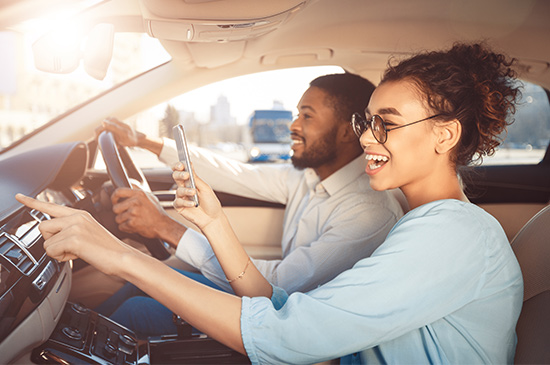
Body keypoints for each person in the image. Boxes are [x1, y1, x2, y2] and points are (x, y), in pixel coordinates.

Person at [17, 42, 524, 364]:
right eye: (366, 122)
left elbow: (289, 334)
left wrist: (122, 254)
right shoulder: (427, 225)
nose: (368, 138)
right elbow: (285, 307)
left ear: (445, 135)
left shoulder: (453, 235)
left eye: (386, 123)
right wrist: (215, 226)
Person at [93, 73, 404, 338]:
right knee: (142, 282)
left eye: (307, 116)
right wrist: (142, 141)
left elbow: (279, 285)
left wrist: (167, 228)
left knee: (137, 310)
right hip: (267, 302)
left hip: (285, 326)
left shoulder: (368, 212)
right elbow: (233, 173)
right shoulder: (307, 177)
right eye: (296, 114)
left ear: (349, 131)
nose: (293, 126)